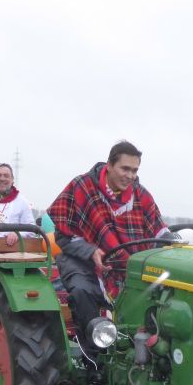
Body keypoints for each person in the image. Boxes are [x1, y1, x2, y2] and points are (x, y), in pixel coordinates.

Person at [47, 140, 172, 341]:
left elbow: (159, 231)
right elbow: (63, 235)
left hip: (127, 265)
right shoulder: (82, 186)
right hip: (82, 261)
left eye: (134, 170)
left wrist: (171, 242)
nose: (130, 176)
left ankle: (141, 344)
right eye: (125, 169)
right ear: (110, 165)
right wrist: (90, 251)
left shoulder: (141, 195)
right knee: (82, 291)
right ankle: (94, 349)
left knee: (160, 291)